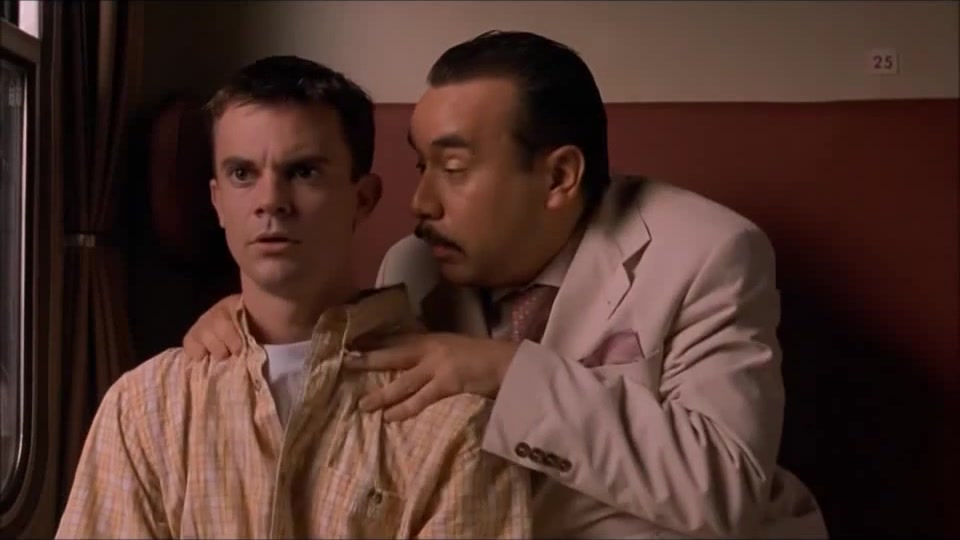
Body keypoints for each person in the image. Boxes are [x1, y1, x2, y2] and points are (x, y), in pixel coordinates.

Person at [183, 32, 828, 539]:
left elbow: (725, 489)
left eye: (453, 167)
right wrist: (247, 322)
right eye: (420, 164)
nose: (419, 201)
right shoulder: (412, 266)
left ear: (559, 177)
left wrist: (505, 371)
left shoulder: (708, 251)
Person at [56, 55, 531, 539]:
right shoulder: (145, 408)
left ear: (363, 198)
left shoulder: (453, 423)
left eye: (303, 172)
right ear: (217, 201)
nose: (271, 201)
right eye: (243, 174)